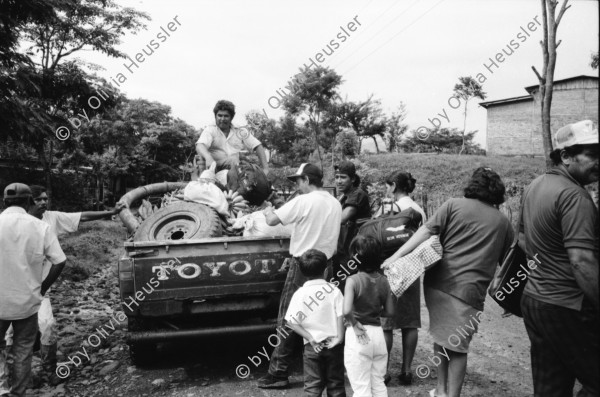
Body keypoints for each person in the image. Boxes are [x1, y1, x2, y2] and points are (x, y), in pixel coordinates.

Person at [383, 167, 514, 397]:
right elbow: (509, 263)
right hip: (470, 293)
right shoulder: (502, 222)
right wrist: (509, 299)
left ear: (473, 185)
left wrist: (395, 256)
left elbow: (424, 232)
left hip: (437, 285)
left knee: (442, 340)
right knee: (459, 348)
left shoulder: (453, 205)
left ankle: (442, 391)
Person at [4, 185, 126, 385]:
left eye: (46, 198)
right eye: (40, 199)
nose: (44, 202)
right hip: (12, 288)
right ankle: (14, 377)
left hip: (39, 289)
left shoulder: (50, 219)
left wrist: (110, 212)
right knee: (11, 334)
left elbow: (81, 217)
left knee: (47, 325)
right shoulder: (14, 223)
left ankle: (48, 369)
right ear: (29, 201)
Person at [519, 120, 598, 397]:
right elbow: (581, 261)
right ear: (565, 156)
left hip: (536, 302)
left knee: (550, 388)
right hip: (568, 306)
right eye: (592, 154)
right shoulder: (575, 196)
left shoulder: (535, 186)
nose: (598, 161)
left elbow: (522, 240)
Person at [258, 163, 342, 389]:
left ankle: (278, 372)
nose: (296, 185)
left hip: (303, 265)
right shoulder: (334, 202)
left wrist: (267, 210)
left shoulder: (303, 201)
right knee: (325, 316)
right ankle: (328, 370)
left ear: (306, 179)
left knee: (289, 317)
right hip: (326, 265)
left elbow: (272, 221)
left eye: (297, 181)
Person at [0, 183, 67, 397]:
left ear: (4, 201)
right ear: (29, 202)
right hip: (27, 303)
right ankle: (18, 392)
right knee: (22, 350)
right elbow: (59, 261)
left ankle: (1, 390)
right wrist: (42, 288)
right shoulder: (40, 227)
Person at [378, 171, 426, 385]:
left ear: (394, 186)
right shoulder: (419, 210)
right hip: (412, 269)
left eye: (388, 186)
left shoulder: (388, 208)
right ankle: (407, 371)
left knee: (386, 323)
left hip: (388, 268)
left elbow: (374, 235)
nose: (386, 190)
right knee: (410, 322)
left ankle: (384, 371)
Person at [284, 249, 345, 397]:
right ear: (325, 271)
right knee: (336, 385)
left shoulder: (299, 294)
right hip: (333, 345)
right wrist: (339, 338)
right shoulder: (334, 290)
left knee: (312, 387)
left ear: (302, 272)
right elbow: (341, 316)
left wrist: (311, 338)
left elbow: (291, 322)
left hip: (312, 347)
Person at [343, 235, 394, 397]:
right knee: (378, 383)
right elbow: (390, 312)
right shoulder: (384, 281)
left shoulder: (353, 281)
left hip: (358, 335)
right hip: (378, 335)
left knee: (361, 388)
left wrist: (354, 323)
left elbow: (346, 310)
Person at [195, 99, 269, 176]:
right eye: (219, 115)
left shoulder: (240, 130)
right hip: (215, 166)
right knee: (233, 160)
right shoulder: (210, 129)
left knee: (250, 169)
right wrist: (208, 157)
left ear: (231, 117)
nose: (222, 119)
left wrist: (266, 168)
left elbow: (257, 145)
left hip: (236, 167)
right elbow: (200, 145)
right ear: (215, 116)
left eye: (226, 116)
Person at [334, 161, 371, 289]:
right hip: (342, 252)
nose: (339, 181)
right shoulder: (344, 196)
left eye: (343, 177)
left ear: (353, 179)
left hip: (353, 253)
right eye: (337, 177)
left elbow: (341, 219)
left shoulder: (358, 194)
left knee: (348, 287)